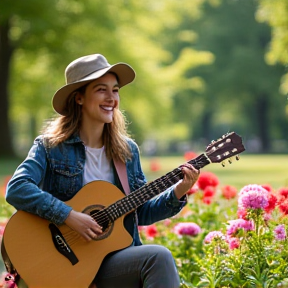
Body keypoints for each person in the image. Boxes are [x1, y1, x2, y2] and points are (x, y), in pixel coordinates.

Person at [6, 53, 200, 288]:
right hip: (66, 264)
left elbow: (142, 212)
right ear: (79, 98)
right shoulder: (50, 147)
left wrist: (179, 190)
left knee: (157, 257)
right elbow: (17, 188)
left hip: (111, 262)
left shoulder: (127, 152)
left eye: (115, 90)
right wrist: (69, 216)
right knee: (159, 256)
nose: (111, 98)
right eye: (101, 90)